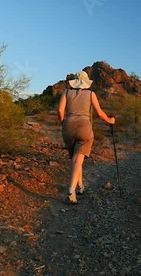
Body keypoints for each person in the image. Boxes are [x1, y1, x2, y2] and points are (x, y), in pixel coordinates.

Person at [58, 71, 115, 204]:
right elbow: (100, 114)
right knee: (78, 159)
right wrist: (110, 121)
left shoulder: (66, 92)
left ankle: (80, 186)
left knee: (76, 159)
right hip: (84, 128)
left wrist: (63, 123)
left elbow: (60, 111)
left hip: (68, 127)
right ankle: (71, 192)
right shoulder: (91, 94)